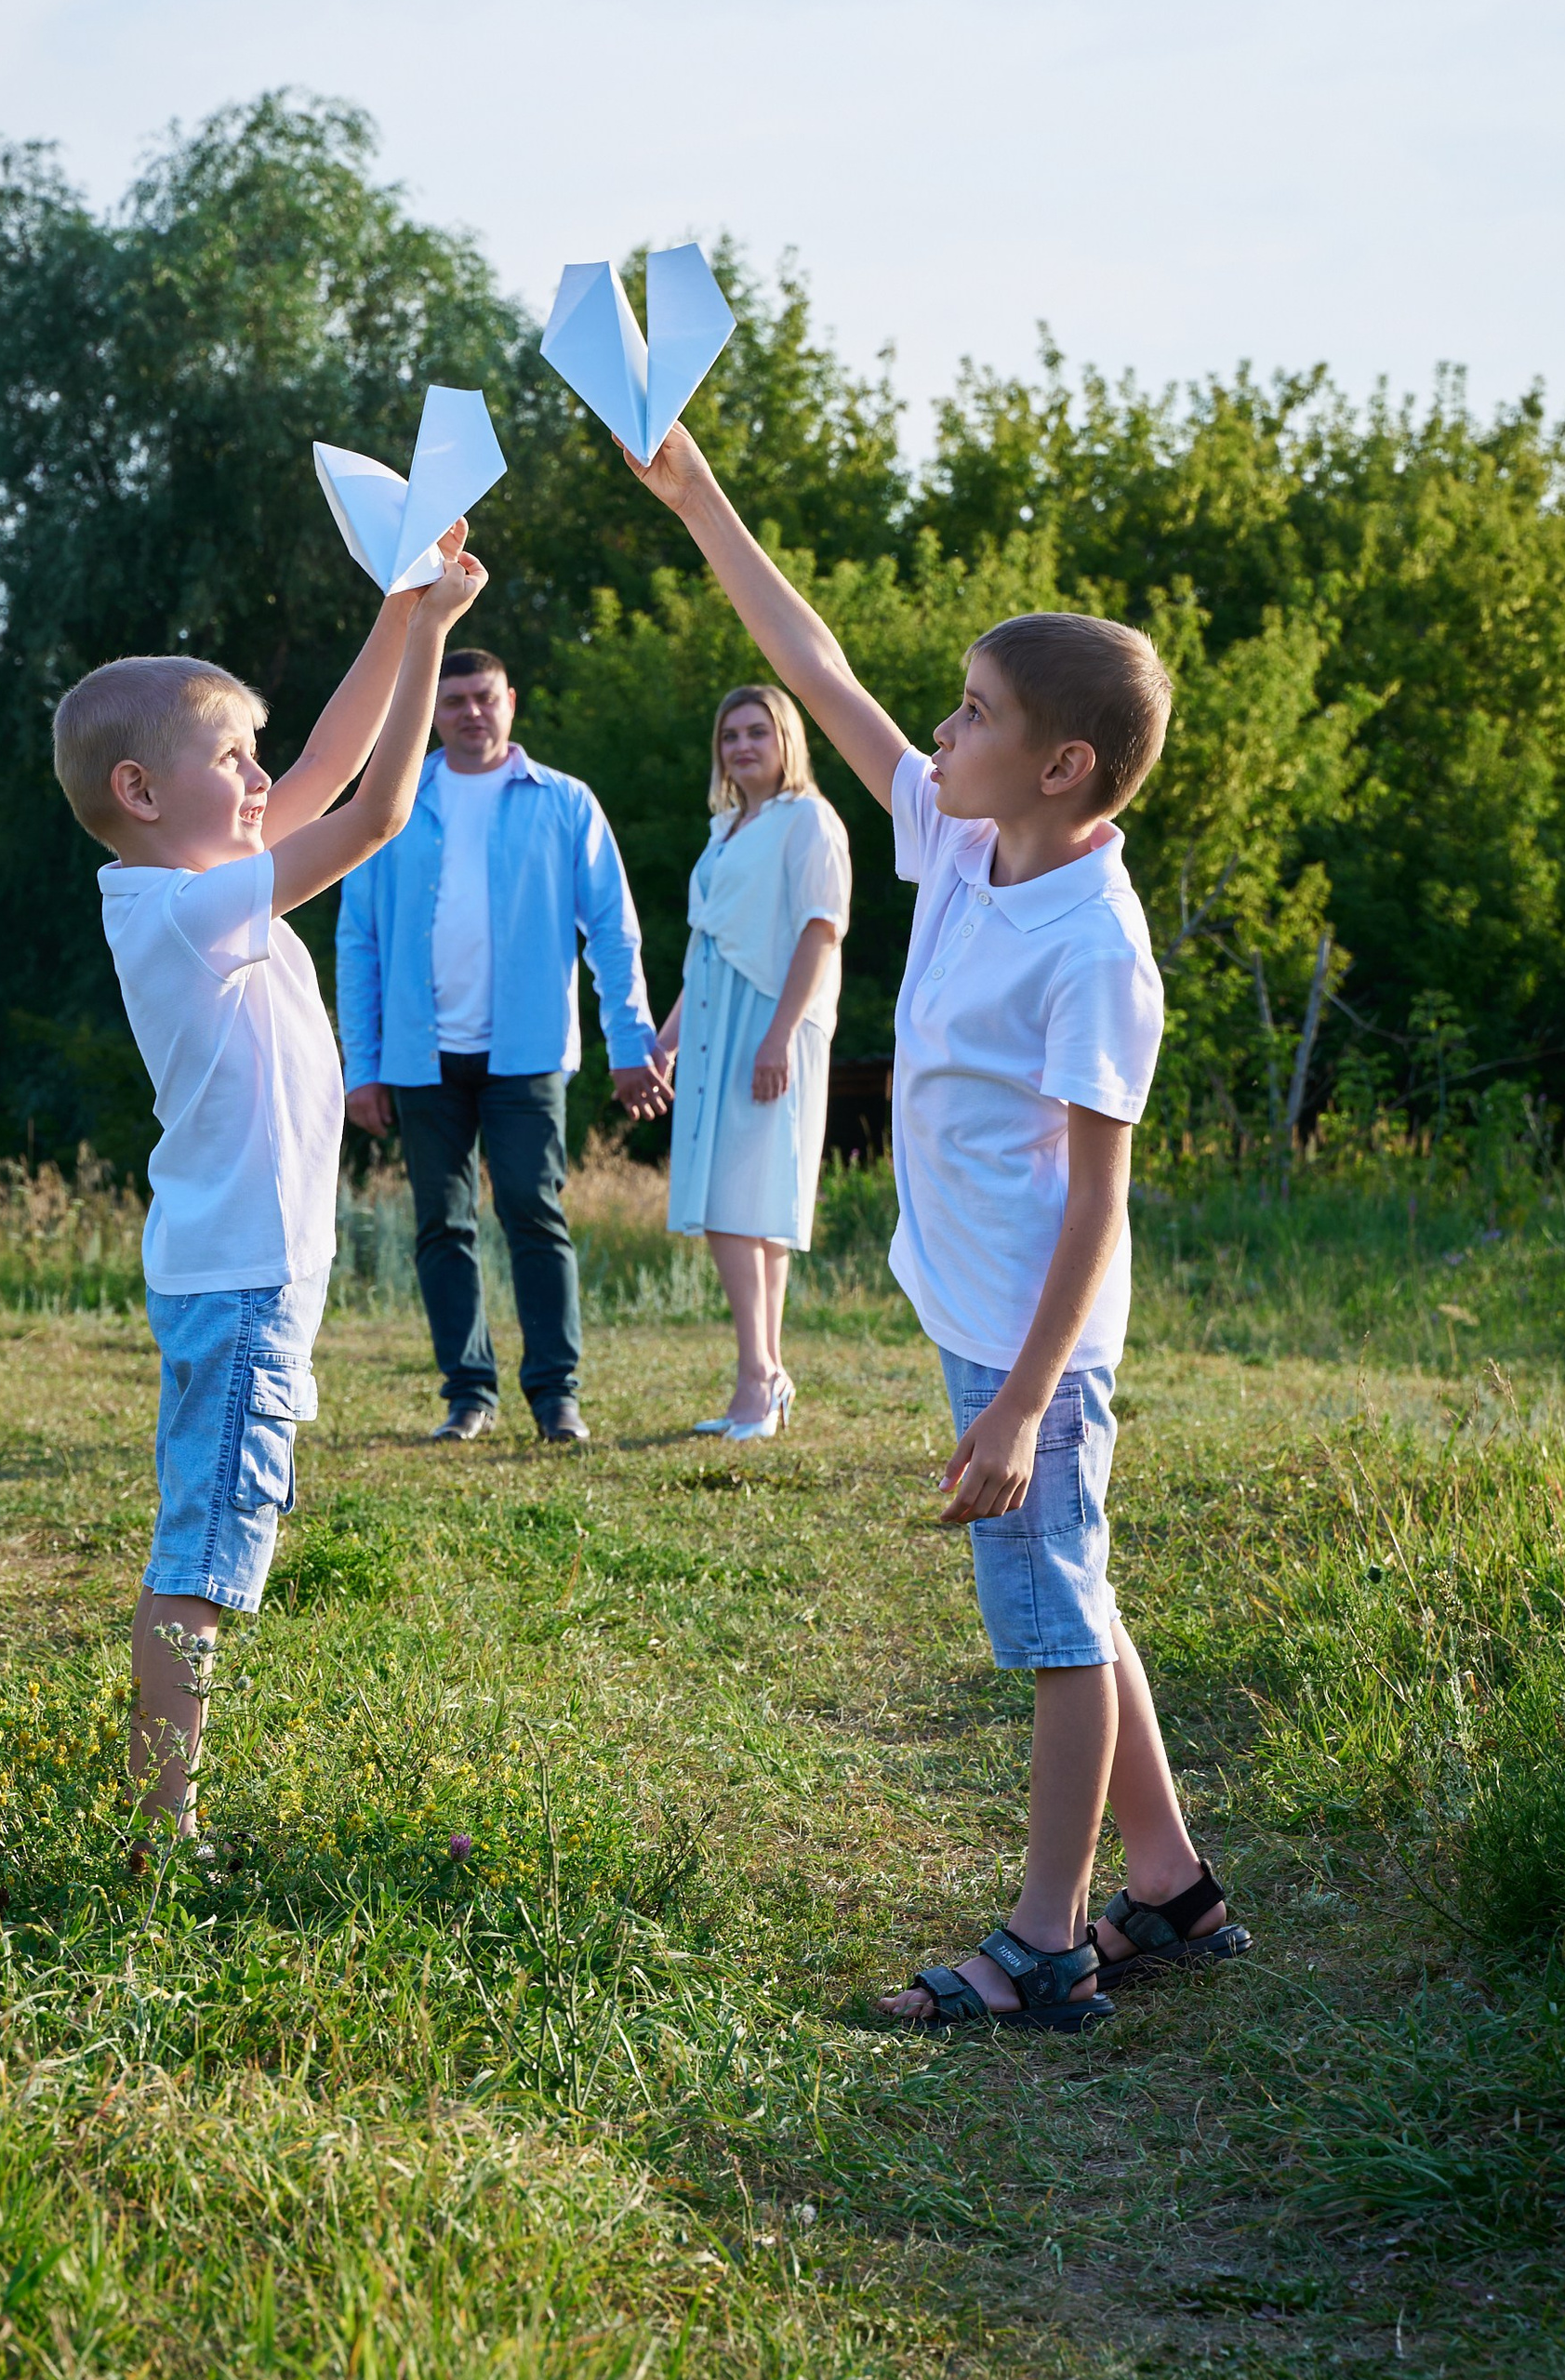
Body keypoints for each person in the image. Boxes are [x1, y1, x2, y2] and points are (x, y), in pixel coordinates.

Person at [623, 423, 1252, 2030]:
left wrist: (1030, 1402)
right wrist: (701, 493)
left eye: (974, 713)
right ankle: (1168, 1882)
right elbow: (817, 665)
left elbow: (1102, 1198)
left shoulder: (1098, 946)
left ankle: (1045, 1944)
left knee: (1048, 1622)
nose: (939, 730)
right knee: (1075, 1592)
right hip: (981, 1318)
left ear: (1063, 767)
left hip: (1035, 1344)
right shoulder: (964, 845)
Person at [51, 528, 487, 1836]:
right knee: (201, 1559)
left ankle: (160, 1804)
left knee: (211, 1542)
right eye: (228, 758)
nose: (259, 776)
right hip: (239, 1282)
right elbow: (377, 808)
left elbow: (321, 769)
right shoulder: (184, 909)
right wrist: (441, 647)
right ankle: (160, 1821)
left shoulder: (200, 885)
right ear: (139, 789)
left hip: (237, 1274)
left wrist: (407, 613)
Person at [338, 646, 670, 1445]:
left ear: (511, 702)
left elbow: (616, 936)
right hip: (421, 1058)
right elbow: (359, 942)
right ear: (433, 711)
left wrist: (631, 1044)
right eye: (453, 701)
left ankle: (557, 1396)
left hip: (528, 1054)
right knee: (441, 1225)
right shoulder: (392, 802)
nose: (470, 713)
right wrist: (363, 1064)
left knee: (533, 1211)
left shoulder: (564, 803)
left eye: (484, 697)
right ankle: (468, 1395)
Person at [657, 684, 852, 1438]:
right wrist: (664, 1044)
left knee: (739, 1205)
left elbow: (820, 932)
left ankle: (756, 1379)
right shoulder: (726, 828)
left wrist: (779, 1036)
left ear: (786, 740)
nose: (742, 746)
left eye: (757, 732)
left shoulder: (810, 822)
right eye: (731, 735)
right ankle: (766, 1374)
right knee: (745, 1206)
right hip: (712, 1018)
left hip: (770, 1020)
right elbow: (704, 948)